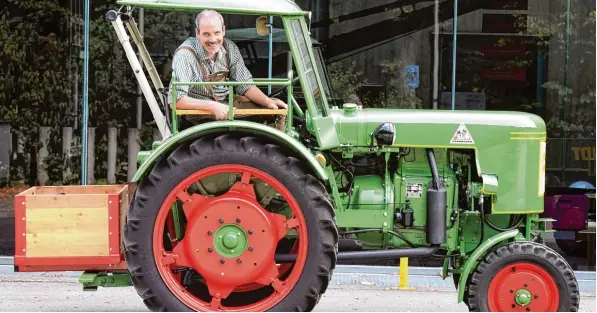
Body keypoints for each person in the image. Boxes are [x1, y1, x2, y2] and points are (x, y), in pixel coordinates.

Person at [167, 9, 287, 130]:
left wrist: (267, 102)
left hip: (225, 106)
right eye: (206, 34)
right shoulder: (185, 55)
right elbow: (175, 101)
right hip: (199, 116)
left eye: (217, 33)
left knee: (277, 112)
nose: (213, 40)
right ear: (197, 33)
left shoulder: (229, 48)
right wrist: (213, 107)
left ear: (223, 30)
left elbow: (244, 84)